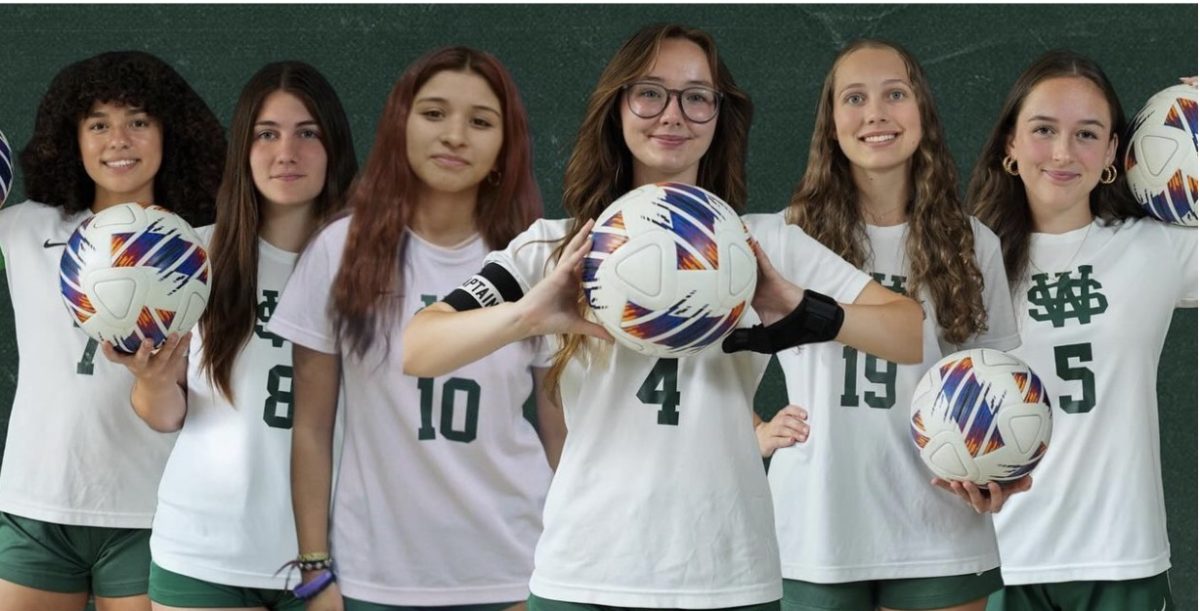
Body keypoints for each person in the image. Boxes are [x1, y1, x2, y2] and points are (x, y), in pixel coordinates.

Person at [402, 23, 924, 611]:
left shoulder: (765, 244)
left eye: (696, 96)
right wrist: (526, 315)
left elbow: (907, 331)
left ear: (719, 115)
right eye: (650, 92)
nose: (672, 115)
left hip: (729, 577)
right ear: (618, 107)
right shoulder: (556, 248)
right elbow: (420, 347)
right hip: (586, 575)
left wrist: (802, 310)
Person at [266, 47, 558, 610]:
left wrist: (565, 569)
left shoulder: (534, 259)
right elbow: (310, 429)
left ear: (504, 146)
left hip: (515, 570)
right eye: (433, 113)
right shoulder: (340, 249)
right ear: (401, 125)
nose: (455, 135)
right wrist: (315, 569)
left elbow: (559, 432)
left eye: (479, 121)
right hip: (374, 575)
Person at [756, 39, 1024, 611]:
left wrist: (999, 471)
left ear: (922, 112)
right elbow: (706, 354)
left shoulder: (972, 242)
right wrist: (750, 430)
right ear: (830, 125)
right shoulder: (786, 238)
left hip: (939, 517)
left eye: (895, 94)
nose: (875, 113)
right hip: (816, 522)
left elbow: (1000, 386)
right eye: (854, 97)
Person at [102, 61, 357, 610]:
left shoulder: (374, 268)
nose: (285, 152)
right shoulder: (185, 256)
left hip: (335, 560)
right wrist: (150, 380)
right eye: (267, 134)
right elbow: (166, 414)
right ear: (243, 147)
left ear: (334, 145)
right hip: (202, 552)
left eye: (306, 133)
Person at [969, 51, 1196, 611]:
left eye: (1087, 133)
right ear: (1010, 146)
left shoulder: (1157, 249)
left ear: (1115, 153)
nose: (1065, 152)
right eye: (1044, 129)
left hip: (1124, 560)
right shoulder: (963, 263)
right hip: (998, 562)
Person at [0, 51, 224, 611]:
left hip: (155, 508)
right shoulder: (26, 226)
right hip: (36, 506)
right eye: (98, 124)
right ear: (70, 139)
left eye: (138, 122)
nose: (118, 139)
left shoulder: (209, 243)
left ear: (170, 133)